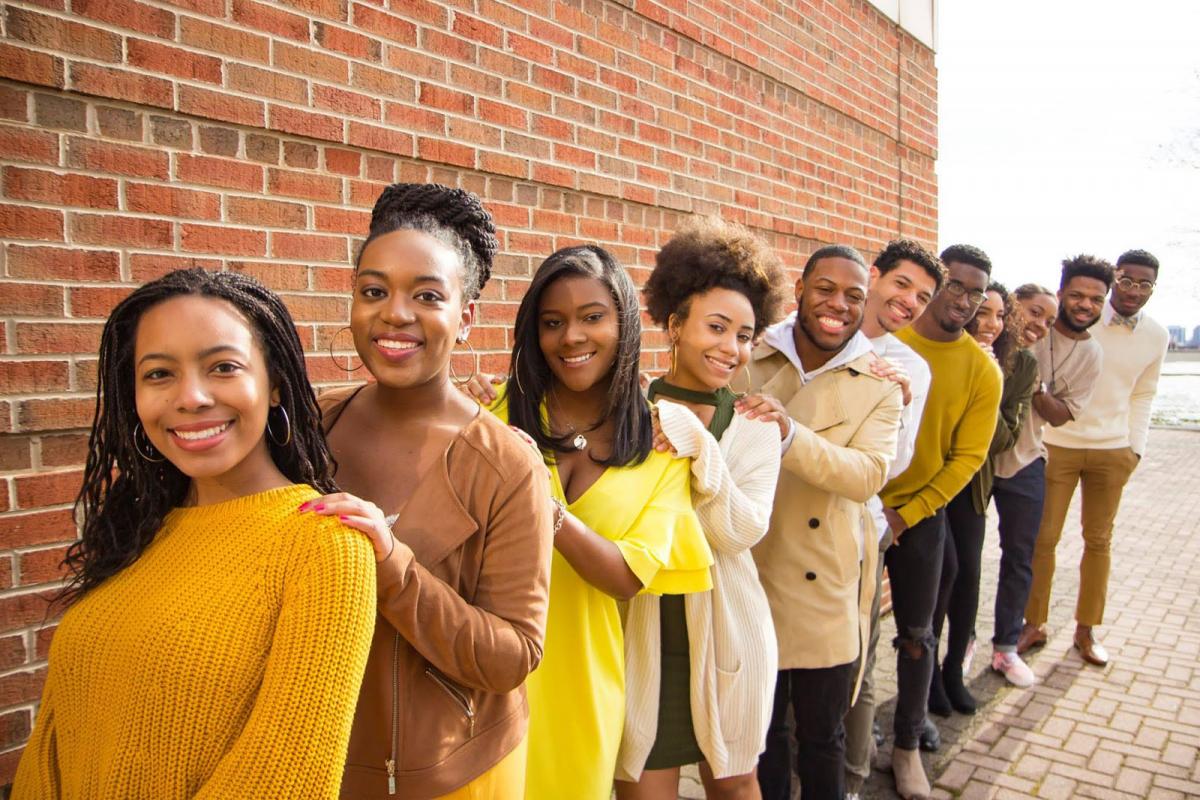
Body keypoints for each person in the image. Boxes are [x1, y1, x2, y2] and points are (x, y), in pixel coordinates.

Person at [12, 269, 377, 799]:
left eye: (223, 367)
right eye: (159, 374)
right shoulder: (140, 530)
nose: (192, 397)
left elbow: (284, 778)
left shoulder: (324, 545)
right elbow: (57, 733)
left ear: (274, 384)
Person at [301, 183, 554, 799]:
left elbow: (513, 654)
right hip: (316, 764)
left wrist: (392, 566)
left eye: (427, 295)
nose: (395, 313)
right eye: (374, 291)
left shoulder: (506, 465)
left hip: (453, 775)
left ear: (465, 317)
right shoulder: (306, 432)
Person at [472, 245, 712, 800]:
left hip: (583, 682)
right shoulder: (495, 416)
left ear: (624, 321)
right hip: (486, 673)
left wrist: (543, 506)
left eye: (592, 317)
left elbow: (628, 574)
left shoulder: (660, 445)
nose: (571, 338)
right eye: (552, 323)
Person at [614, 217, 789, 800]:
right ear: (674, 324)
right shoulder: (625, 413)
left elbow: (737, 530)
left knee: (737, 788)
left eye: (744, 335)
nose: (731, 348)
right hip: (642, 638)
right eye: (716, 327)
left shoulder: (754, 425)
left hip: (730, 633)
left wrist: (694, 442)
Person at [743, 244, 904, 800]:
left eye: (854, 296)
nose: (838, 304)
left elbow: (866, 475)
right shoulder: (750, 356)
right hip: (753, 570)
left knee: (822, 737)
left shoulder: (882, 384)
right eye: (826, 289)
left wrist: (791, 434)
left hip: (826, 582)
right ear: (802, 290)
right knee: (761, 737)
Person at [878, 243, 1002, 799]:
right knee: (845, 628)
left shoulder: (982, 370)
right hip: (853, 500)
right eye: (956, 285)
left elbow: (968, 459)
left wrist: (906, 514)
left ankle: (906, 747)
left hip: (919, 513)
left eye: (976, 293)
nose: (965, 300)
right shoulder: (889, 343)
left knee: (918, 634)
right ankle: (848, 731)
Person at [1023, 249, 1169, 667]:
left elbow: (1144, 393)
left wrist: (1134, 447)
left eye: (1144, 284)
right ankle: (1034, 623)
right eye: (1126, 280)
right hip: (1057, 446)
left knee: (1099, 541)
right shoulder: (1077, 318)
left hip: (1113, 450)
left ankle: (1086, 631)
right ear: (1114, 281)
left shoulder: (1157, 336)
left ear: (1152, 289)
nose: (1133, 290)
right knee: (1044, 538)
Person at [842, 239, 942, 799]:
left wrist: (897, 408)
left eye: (921, 297)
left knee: (857, 656)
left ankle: (853, 780)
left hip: (859, 526)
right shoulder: (801, 333)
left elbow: (896, 463)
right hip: (782, 524)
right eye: (902, 285)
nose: (909, 302)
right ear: (875, 276)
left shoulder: (911, 368)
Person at [927, 282, 1052, 718]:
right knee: (939, 580)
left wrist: (989, 377)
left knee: (967, 581)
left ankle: (951, 674)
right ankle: (925, 682)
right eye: (984, 312)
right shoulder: (942, 348)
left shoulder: (1020, 365)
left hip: (973, 482)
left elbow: (1002, 439)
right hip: (930, 479)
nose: (991, 323)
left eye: (1000, 316)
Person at [991, 255, 1110, 686]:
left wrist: (1034, 383)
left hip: (1025, 459)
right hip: (978, 460)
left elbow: (1060, 415)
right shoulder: (998, 331)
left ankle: (1005, 646)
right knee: (958, 562)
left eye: (1096, 298)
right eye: (1076, 294)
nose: (1085, 304)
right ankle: (960, 644)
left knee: (1021, 557)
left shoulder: (1090, 354)